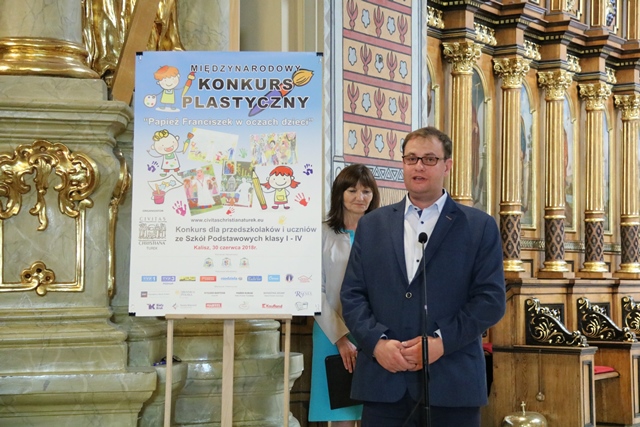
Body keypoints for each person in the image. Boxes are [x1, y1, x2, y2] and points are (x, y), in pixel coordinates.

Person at [340, 127, 506, 427]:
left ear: (447, 165)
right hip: (384, 382)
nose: (418, 166)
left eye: (429, 159)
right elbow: (352, 295)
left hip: (451, 383)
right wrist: (376, 343)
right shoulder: (373, 225)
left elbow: (490, 301)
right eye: (411, 159)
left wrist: (441, 342)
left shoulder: (479, 226)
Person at [309, 164, 381, 427]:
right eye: (352, 190)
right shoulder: (323, 233)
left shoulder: (383, 234)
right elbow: (314, 289)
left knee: (375, 411)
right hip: (330, 329)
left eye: (366, 191)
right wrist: (340, 338)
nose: (359, 197)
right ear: (340, 193)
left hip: (373, 331)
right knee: (343, 413)